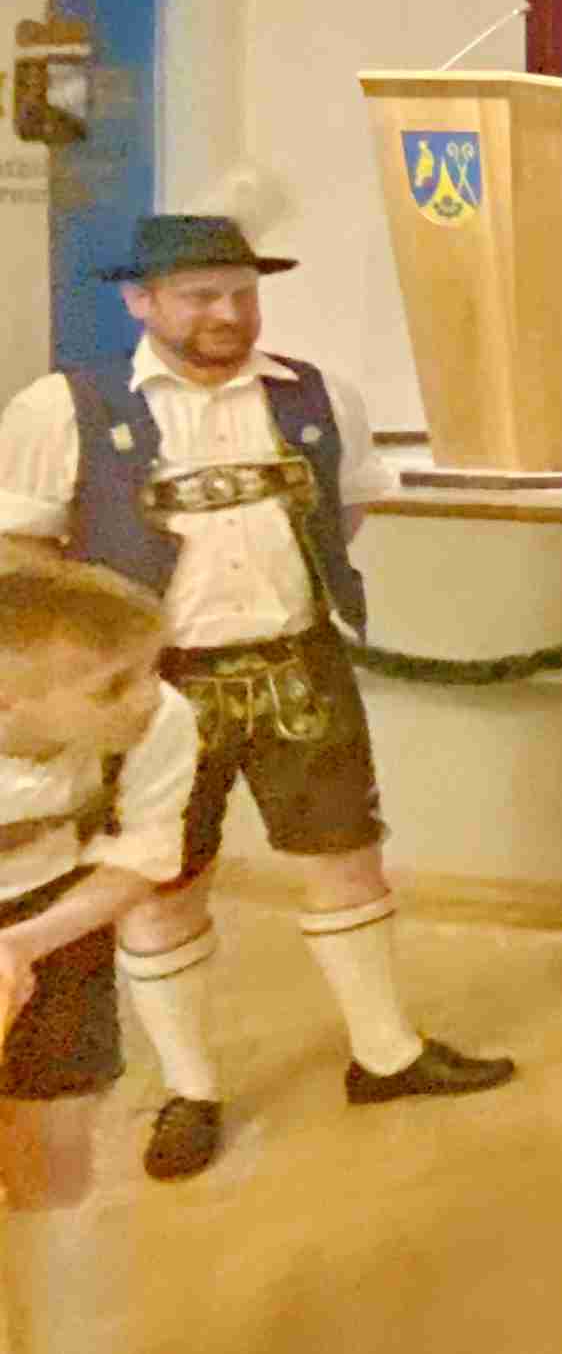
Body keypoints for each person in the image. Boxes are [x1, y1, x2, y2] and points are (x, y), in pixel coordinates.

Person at [0, 216, 514, 1185]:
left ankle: (386, 1054)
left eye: (241, 292)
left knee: (346, 856)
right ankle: (190, 1090)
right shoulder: (63, 407)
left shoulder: (316, 395)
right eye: (200, 295)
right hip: (146, 687)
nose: (228, 312)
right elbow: (25, 555)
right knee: (161, 882)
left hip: (298, 660)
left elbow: (342, 512)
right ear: (140, 301)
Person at [0, 551, 194, 1354]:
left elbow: (140, 860)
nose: (146, 697)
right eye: (112, 685)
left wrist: (20, 947)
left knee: (54, 1151)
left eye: (152, 667)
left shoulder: (158, 723)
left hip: (54, 918)